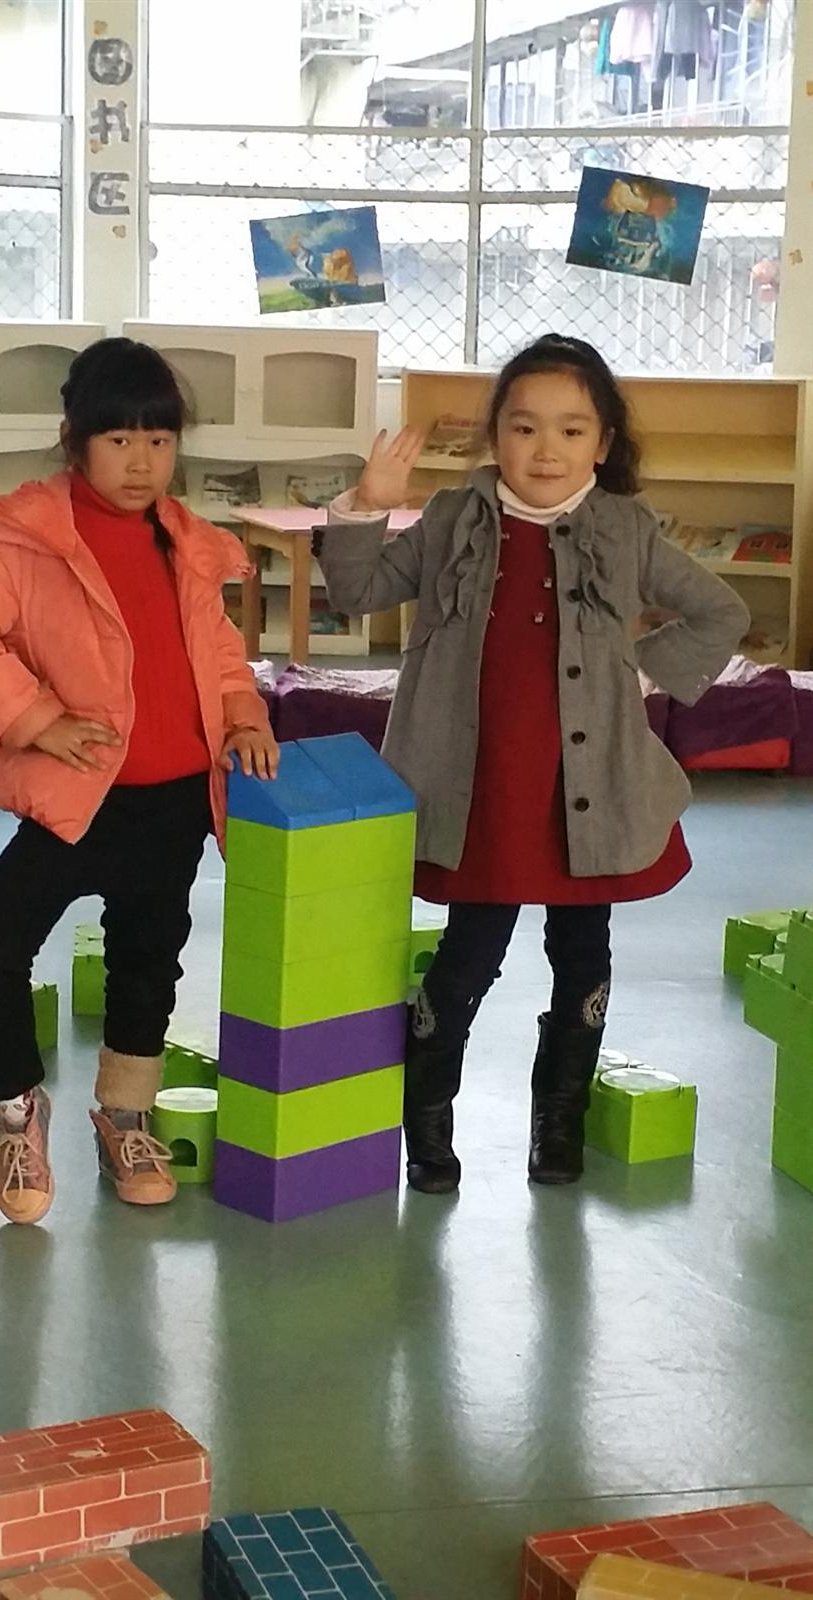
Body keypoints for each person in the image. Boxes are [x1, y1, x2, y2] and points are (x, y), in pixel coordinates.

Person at [317, 334, 749, 1196]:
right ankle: (426, 1127)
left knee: (582, 955)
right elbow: (357, 592)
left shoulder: (626, 528)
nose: (546, 449)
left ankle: (560, 1119)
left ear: (603, 443)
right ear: (496, 437)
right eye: (523, 428)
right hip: (480, 791)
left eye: (571, 430)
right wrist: (368, 505)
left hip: (588, 792)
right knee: (466, 959)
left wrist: (637, 673)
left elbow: (720, 613)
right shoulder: (454, 518)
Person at [0, 336, 279, 1225]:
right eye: (119, 440)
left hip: (175, 802)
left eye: (159, 440)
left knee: (147, 962)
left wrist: (244, 713)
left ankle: (125, 1117)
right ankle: (18, 1113)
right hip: (77, 800)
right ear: (76, 440)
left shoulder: (186, 540)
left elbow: (218, 650)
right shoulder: (28, 537)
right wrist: (36, 718)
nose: (141, 461)